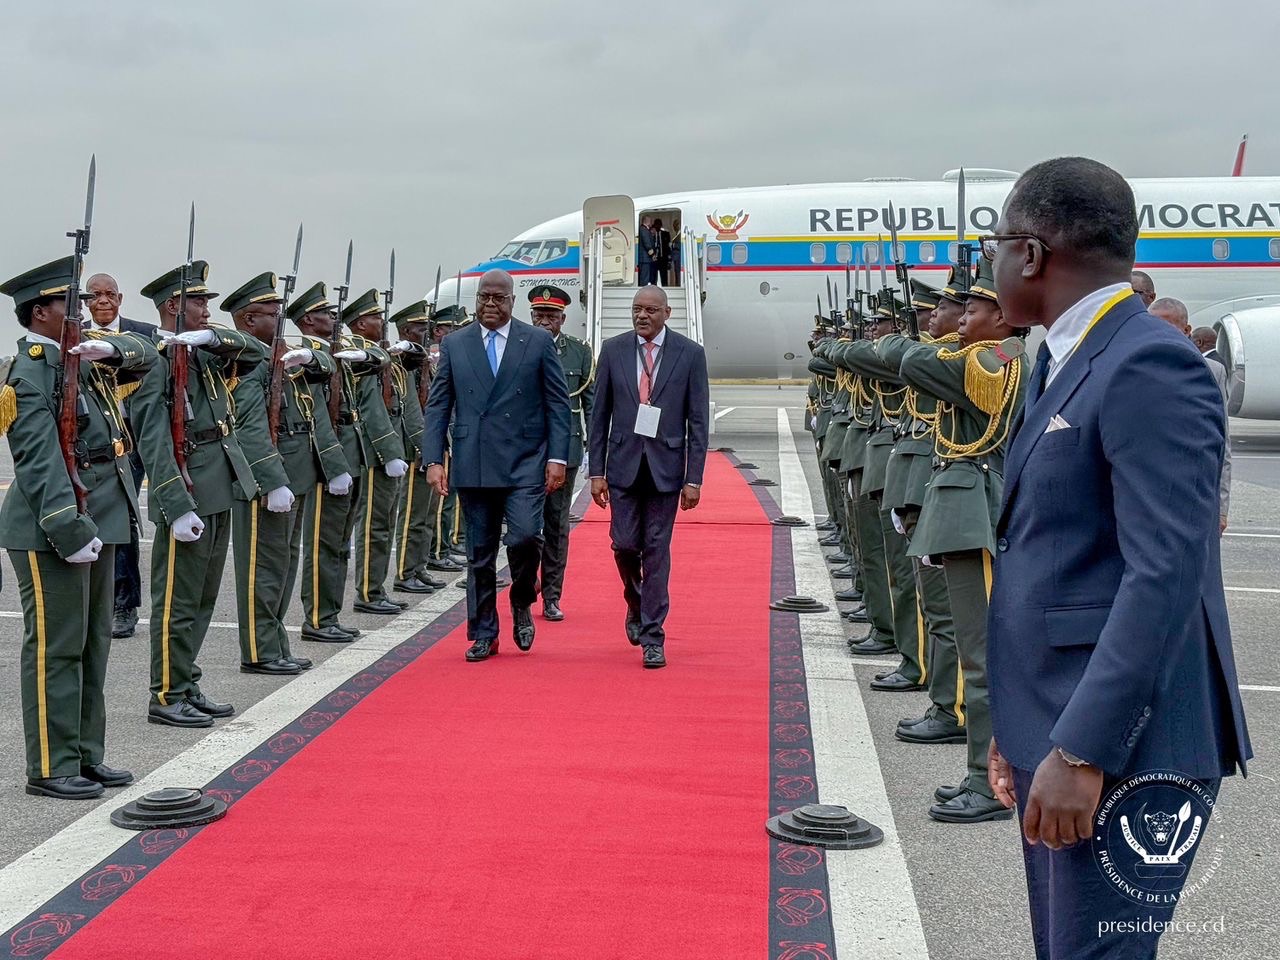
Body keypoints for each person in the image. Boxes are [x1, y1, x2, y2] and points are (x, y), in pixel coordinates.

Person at [986, 156, 1251, 960]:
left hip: (1123, 750)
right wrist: (1019, 728)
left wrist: (1082, 748)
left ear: (1031, 254)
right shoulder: (1060, 357)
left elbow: (1164, 574)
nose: (988, 265)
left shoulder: (1147, 362)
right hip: (1059, 724)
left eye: (994, 245)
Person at [877, 255, 1028, 824]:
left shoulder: (993, 363)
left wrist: (934, 339)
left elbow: (903, 357)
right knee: (974, 648)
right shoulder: (990, 356)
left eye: (975, 306)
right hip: (965, 510)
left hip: (977, 513)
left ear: (1005, 317)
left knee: (983, 654)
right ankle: (979, 771)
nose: (961, 315)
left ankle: (986, 784)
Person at [0, 257, 157, 798]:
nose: (83, 313)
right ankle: (49, 764)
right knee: (57, 648)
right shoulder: (30, 372)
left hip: (102, 517)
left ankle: (86, 755)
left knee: (93, 648)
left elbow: (151, 357)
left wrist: (110, 348)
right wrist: (69, 528)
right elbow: (39, 461)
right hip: (51, 529)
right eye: (70, 305)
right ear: (40, 312)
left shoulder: (82, 360)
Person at [132, 261, 266, 727]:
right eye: (199, 302)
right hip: (187, 492)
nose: (208, 309)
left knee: (204, 597)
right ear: (173, 306)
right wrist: (174, 503)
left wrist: (212, 339)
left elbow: (257, 353)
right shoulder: (154, 360)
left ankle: (186, 680)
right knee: (177, 600)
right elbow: (152, 439)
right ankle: (166, 693)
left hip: (219, 483)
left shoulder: (206, 353)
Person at [423, 269, 571, 661]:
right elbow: (440, 404)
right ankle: (484, 632)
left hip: (526, 460)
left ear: (511, 300)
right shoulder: (455, 343)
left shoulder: (537, 341)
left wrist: (558, 457)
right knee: (480, 552)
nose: (490, 304)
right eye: (484, 298)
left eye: (498, 298)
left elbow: (558, 403)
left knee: (524, 537)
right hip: (475, 460)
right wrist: (434, 458)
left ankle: (522, 598)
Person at [222, 273, 347, 675]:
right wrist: (272, 480)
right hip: (268, 479)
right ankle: (260, 650)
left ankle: (275, 643)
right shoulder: (245, 362)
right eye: (272, 315)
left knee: (284, 564)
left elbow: (322, 377)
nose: (280, 321)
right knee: (264, 568)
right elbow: (251, 426)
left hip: (295, 472)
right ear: (247, 320)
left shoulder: (278, 359)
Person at [588, 285, 709, 669]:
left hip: (666, 469)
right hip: (623, 465)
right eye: (637, 309)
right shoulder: (613, 350)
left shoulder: (690, 355)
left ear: (667, 313)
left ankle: (653, 637)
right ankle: (635, 600)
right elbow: (599, 414)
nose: (642, 316)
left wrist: (694, 478)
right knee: (623, 544)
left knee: (656, 551)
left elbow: (698, 421)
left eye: (651, 310)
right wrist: (596, 471)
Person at [287, 283, 375, 643]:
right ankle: (319, 618)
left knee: (339, 543)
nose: (335, 318)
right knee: (324, 544)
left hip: (349, 454)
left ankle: (331, 613)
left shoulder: (338, 351)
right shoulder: (302, 357)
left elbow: (378, 360)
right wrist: (334, 464)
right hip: (328, 461)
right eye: (326, 313)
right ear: (308, 320)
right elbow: (317, 415)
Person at [84, 273, 156, 640]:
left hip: (135, 440)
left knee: (126, 520)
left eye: (109, 294)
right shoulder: (75, 336)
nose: (103, 301)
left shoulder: (144, 333)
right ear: (85, 301)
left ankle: (124, 604)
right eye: (95, 295)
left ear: (120, 298)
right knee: (90, 518)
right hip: (93, 445)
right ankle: (93, 599)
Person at [340, 289, 409, 615]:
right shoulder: (359, 357)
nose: (382, 322)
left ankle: (375, 587)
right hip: (372, 451)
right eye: (375, 317)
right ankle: (368, 590)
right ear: (359, 323)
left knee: (383, 522)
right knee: (373, 524)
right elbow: (370, 409)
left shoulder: (379, 356)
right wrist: (388, 450)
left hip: (387, 445)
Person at [529, 285, 595, 621]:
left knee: (556, 525)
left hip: (564, 449)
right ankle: (527, 584)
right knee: (525, 526)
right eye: (538, 315)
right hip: (524, 451)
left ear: (562, 319)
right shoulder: (517, 347)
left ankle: (552, 595)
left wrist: (594, 454)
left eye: (550, 316)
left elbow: (591, 405)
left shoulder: (579, 353)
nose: (544, 322)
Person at [1151, 298, 1232, 533]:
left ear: (1187, 331)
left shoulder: (1211, 371)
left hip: (1192, 496)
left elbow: (1222, 444)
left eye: (1169, 328)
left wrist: (1221, 507)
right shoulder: (1132, 367)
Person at [390, 300, 446, 596]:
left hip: (429, 447)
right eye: (420, 328)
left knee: (426, 514)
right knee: (412, 514)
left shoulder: (424, 363)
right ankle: (404, 571)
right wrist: (424, 446)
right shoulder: (402, 365)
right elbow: (411, 411)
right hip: (414, 450)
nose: (427, 333)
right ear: (405, 331)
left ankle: (418, 566)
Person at [637, 216, 658, 286]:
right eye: (650, 221)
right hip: (645, 259)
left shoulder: (643, 229)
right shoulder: (644, 230)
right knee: (644, 278)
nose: (651, 222)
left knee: (644, 277)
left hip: (645, 258)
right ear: (647, 221)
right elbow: (647, 244)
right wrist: (653, 255)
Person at [653, 217, 671, 287]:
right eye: (656, 225)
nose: (657, 226)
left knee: (664, 276)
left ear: (661, 225)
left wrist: (669, 259)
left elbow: (668, 247)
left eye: (659, 225)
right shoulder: (652, 234)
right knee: (654, 277)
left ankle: (665, 289)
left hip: (663, 258)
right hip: (654, 258)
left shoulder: (666, 234)